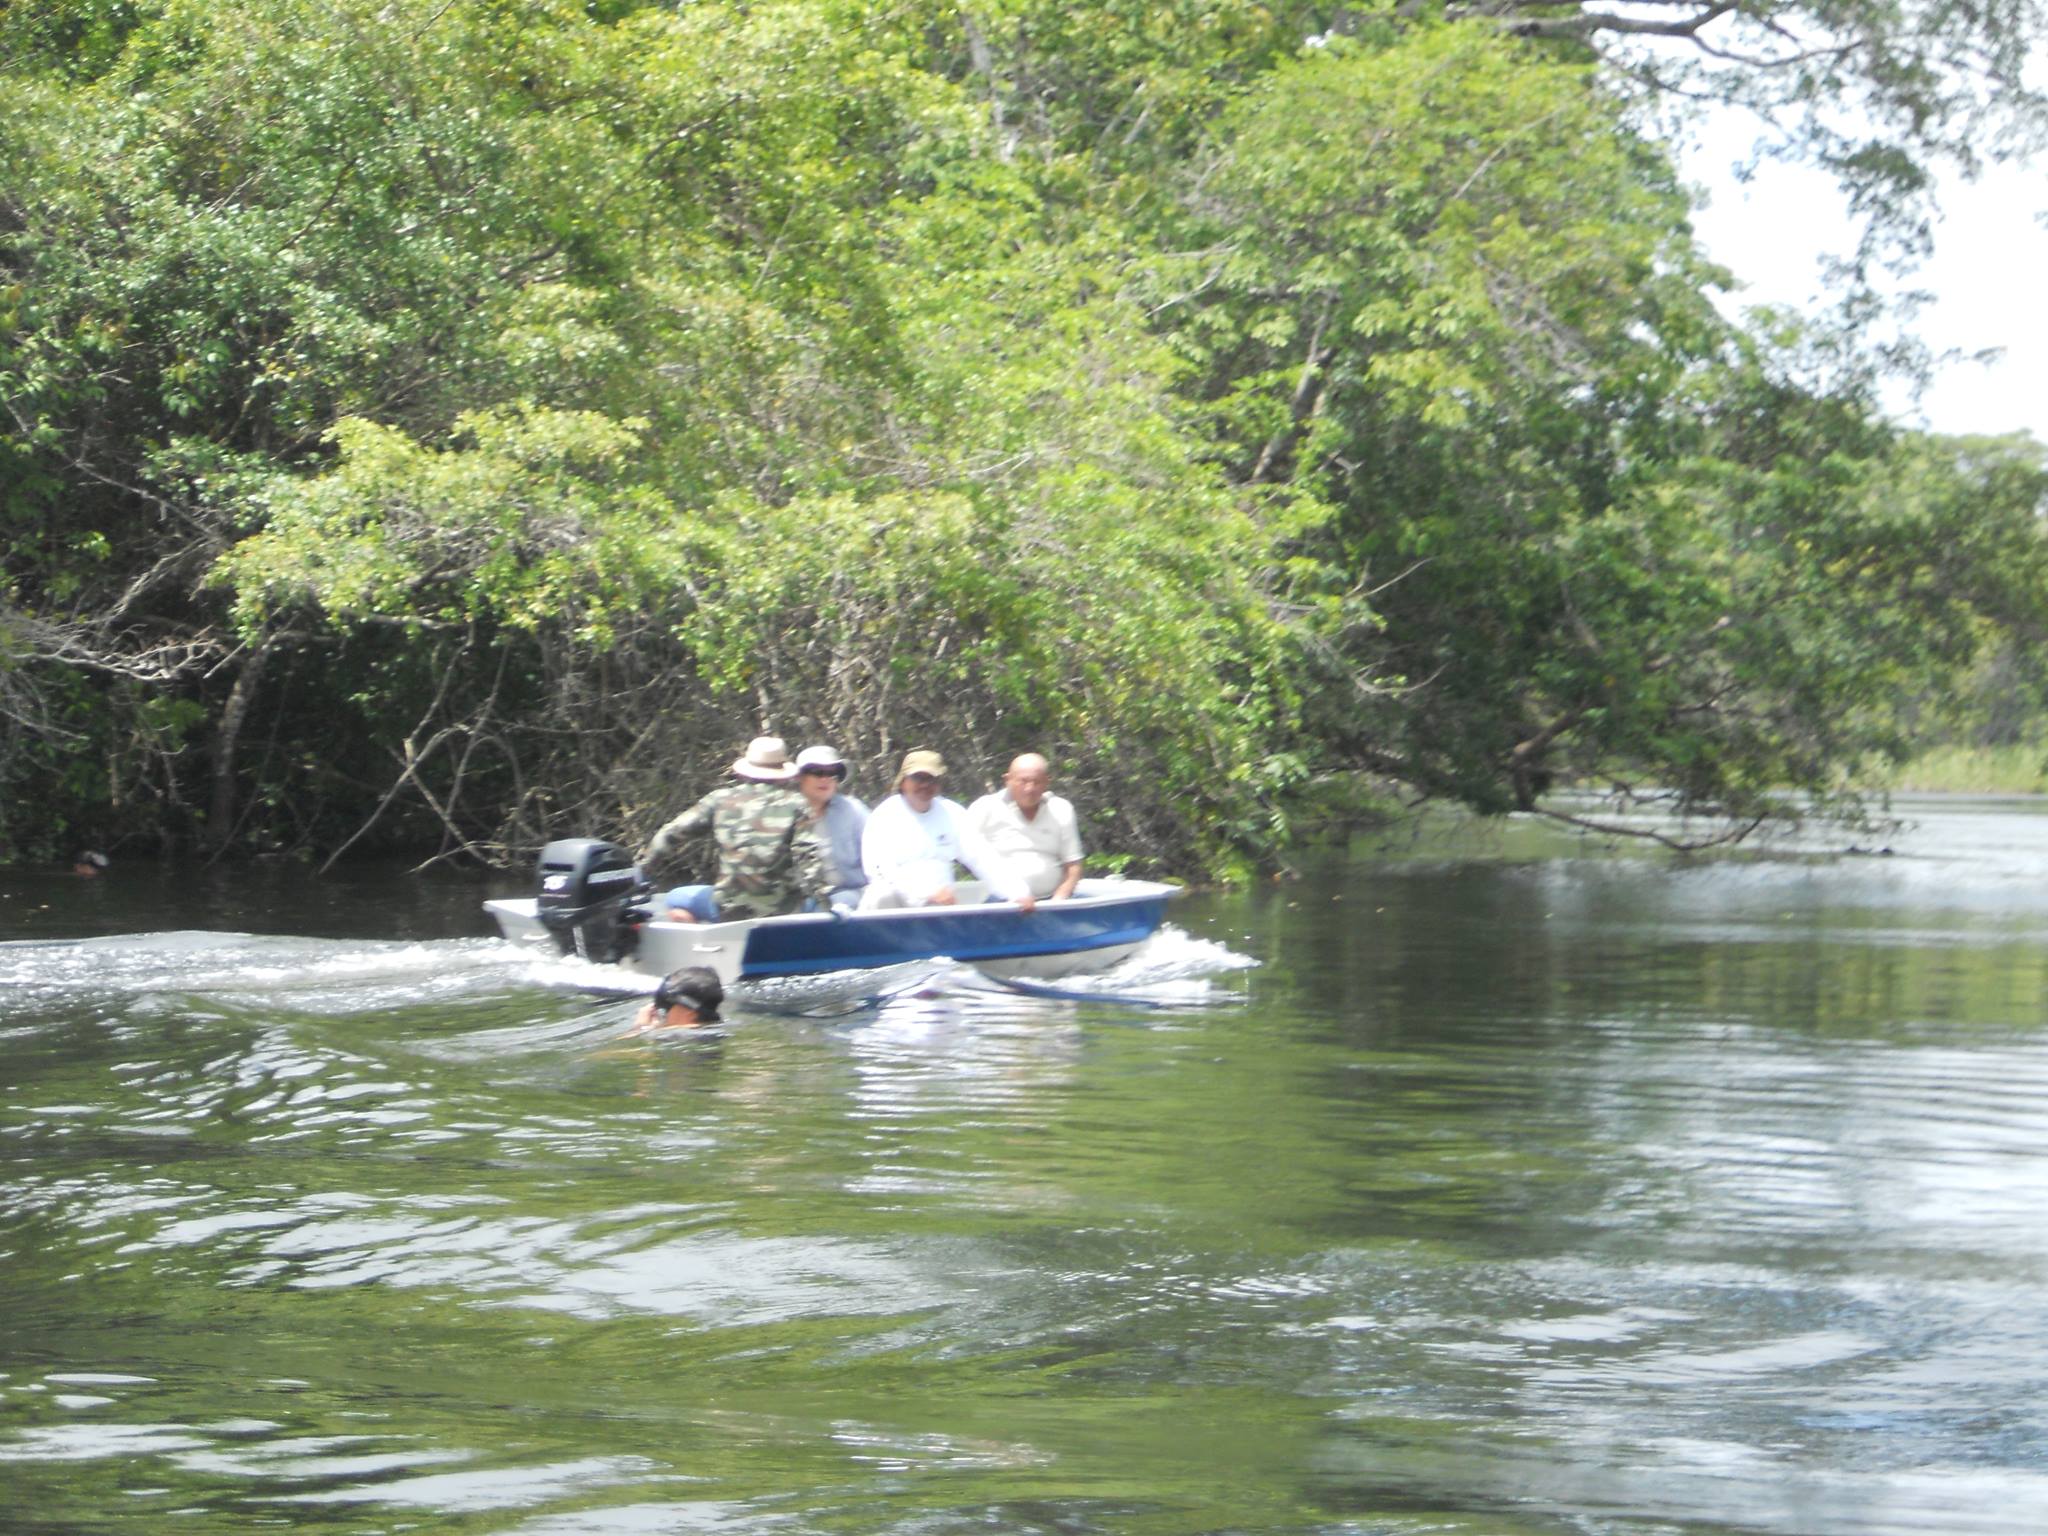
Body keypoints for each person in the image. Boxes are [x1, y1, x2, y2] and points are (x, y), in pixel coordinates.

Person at [637, 736, 831, 924]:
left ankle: (702, 942)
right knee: (816, 904)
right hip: (783, 910)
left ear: (745, 771)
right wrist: (824, 903)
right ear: (784, 774)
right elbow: (809, 859)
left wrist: (643, 870)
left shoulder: (719, 799)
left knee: (674, 898)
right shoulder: (798, 805)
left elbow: (670, 834)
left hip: (727, 909)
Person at [859, 749, 1034, 910]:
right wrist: (925, 895)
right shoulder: (884, 816)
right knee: (880, 894)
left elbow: (983, 857)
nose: (925, 785)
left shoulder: (952, 813)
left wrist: (1018, 892)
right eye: (919, 778)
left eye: (932, 779)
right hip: (894, 905)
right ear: (904, 781)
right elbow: (879, 871)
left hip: (942, 906)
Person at [967, 753, 1085, 900]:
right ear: (1007, 780)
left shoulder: (1061, 809)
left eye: (1037, 782)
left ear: (1047, 782)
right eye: (1023, 781)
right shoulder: (985, 808)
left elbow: (1073, 864)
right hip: (1001, 902)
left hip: (1054, 900)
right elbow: (967, 855)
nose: (1030, 788)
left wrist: (1060, 899)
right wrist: (1011, 890)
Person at [793, 744, 869, 911]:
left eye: (832, 773)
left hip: (850, 897)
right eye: (817, 772)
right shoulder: (786, 813)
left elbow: (879, 860)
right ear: (800, 777)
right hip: (800, 901)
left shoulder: (854, 811)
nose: (825, 779)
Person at [627, 965, 724, 1032]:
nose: (660, 1010)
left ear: (689, 1013)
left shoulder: (679, 1037)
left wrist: (639, 1029)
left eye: (665, 1005)